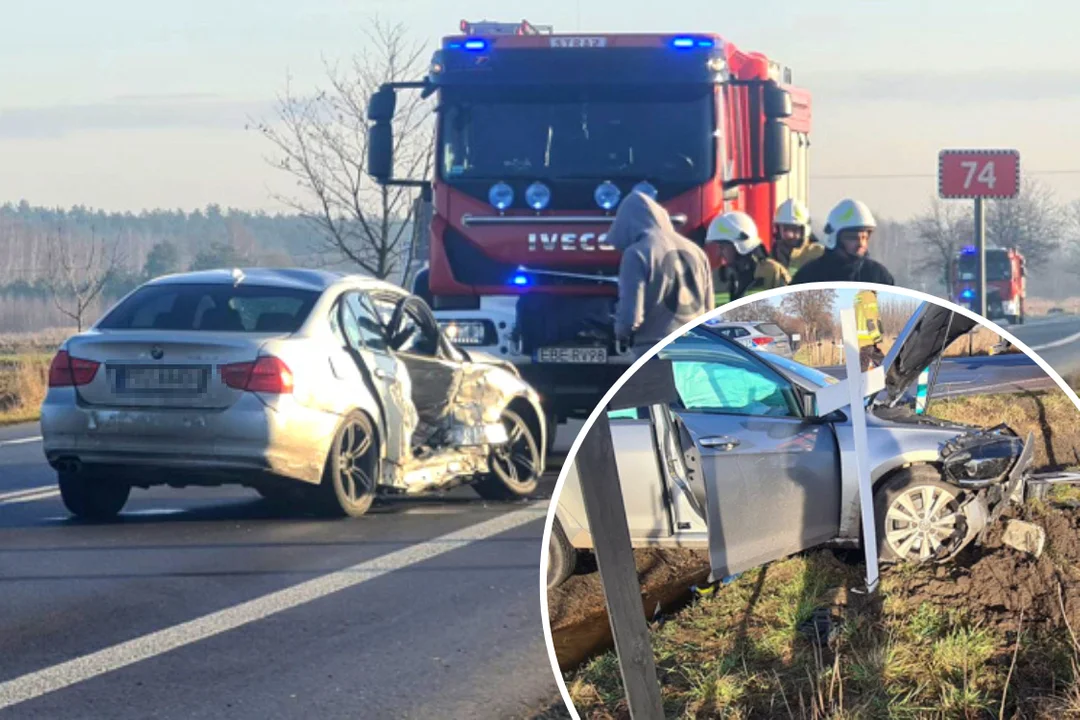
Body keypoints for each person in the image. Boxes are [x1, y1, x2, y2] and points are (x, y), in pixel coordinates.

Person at [610, 191, 714, 357]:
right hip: (695, 348)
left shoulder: (637, 253)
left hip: (655, 349)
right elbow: (709, 309)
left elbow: (631, 317)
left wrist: (621, 332)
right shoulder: (697, 252)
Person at [790, 199, 895, 285]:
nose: (861, 244)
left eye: (864, 237)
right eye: (853, 238)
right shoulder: (810, 276)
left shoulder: (878, 276)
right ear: (834, 238)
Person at [707, 211, 789, 306]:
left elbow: (788, 305)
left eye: (723, 246)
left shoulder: (771, 272)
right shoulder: (717, 278)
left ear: (740, 245)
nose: (719, 252)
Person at [773, 198, 823, 274]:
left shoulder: (818, 254)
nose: (790, 235)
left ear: (805, 230)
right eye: (785, 229)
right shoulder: (773, 255)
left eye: (794, 229)